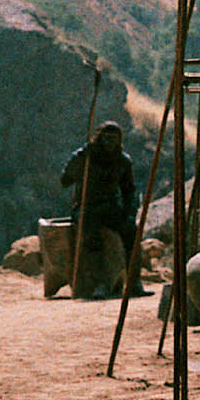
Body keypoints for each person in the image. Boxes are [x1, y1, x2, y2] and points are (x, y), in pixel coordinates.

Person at [59, 120, 147, 298]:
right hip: (86, 207)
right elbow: (65, 181)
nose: (109, 142)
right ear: (99, 138)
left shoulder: (123, 160)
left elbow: (129, 191)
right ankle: (99, 284)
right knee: (92, 236)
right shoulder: (86, 156)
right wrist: (79, 161)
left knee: (132, 232)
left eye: (113, 139)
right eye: (106, 138)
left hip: (111, 208)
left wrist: (130, 214)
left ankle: (134, 282)